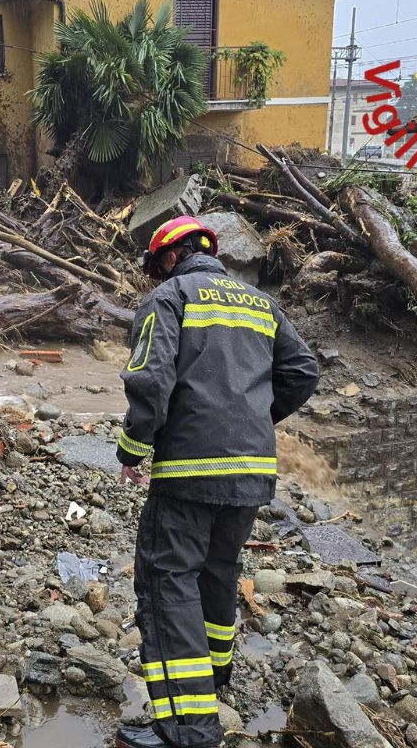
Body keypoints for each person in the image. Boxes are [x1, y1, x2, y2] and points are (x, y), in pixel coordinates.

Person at [114, 216, 319, 748]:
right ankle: (215, 680)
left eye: (156, 265)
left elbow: (150, 379)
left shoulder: (170, 297)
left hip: (186, 472)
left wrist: (133, 449)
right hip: (251, 472)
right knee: (219, 571)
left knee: (167, 582)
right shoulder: (258, 303)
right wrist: (251, 418)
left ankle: (190, 729)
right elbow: (303, 372)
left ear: (167, 258)